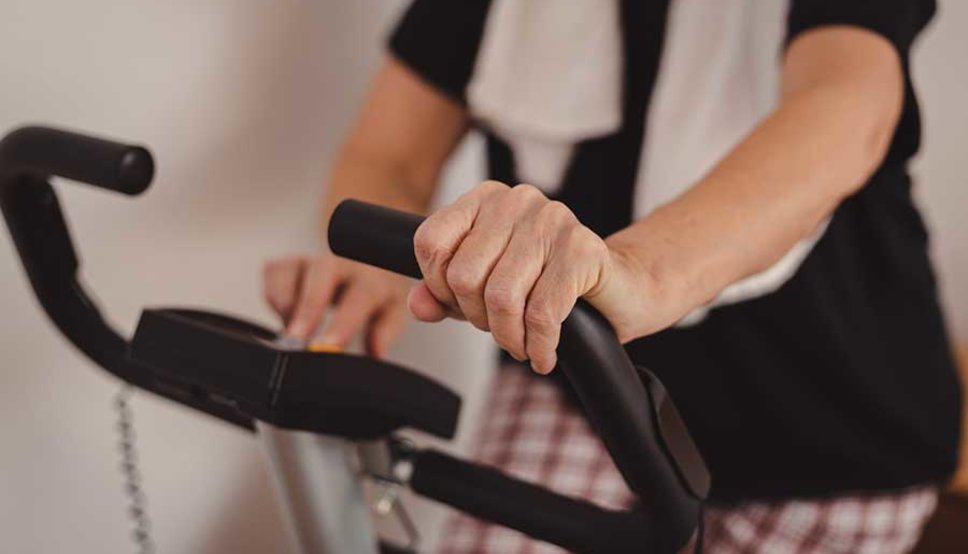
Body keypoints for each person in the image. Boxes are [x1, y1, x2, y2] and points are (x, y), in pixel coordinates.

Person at [263, 1, 962, 552]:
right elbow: (393, 156)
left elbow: (848, 110)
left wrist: (637, 272)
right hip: (586, 384)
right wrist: (380, 268)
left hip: (834, 425)